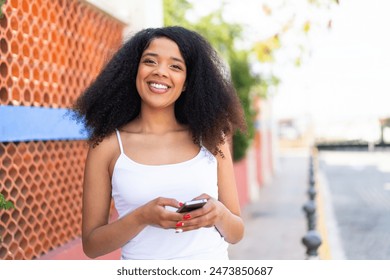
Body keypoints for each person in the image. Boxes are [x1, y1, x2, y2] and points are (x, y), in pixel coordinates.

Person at [72, 26, 246, 260]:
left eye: (175, 66)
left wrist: (219, 215)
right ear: (135, 70)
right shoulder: (108, 146)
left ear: (186, 82)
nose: (161, 72)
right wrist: (142, 217)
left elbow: (236, 233)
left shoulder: (212, 138)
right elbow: (92, 245)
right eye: (150, 61)